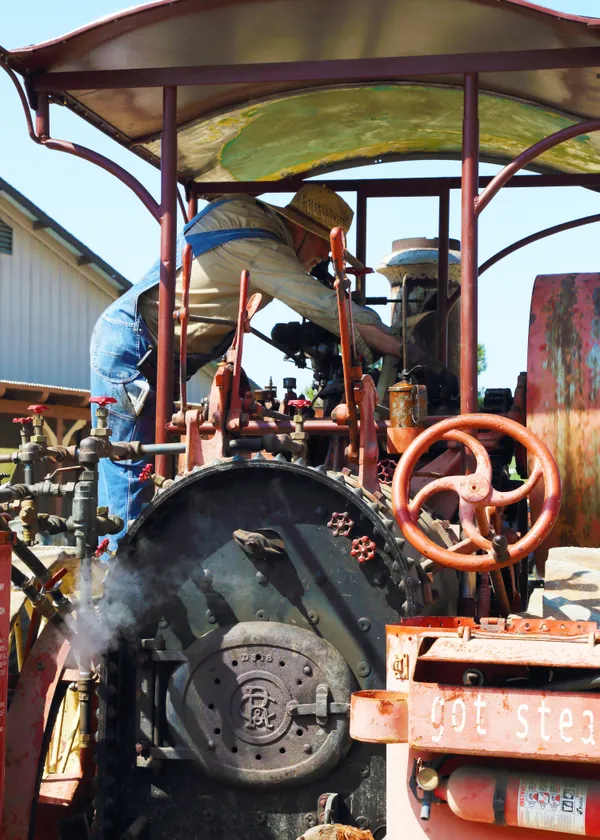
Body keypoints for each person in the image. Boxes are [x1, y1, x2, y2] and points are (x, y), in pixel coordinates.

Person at [90, 184, 402, 550]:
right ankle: (115, 587)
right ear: (305, 231)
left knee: (146, 466)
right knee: (131, 471)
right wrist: (401, 348)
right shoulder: (263, 248)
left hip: (158, 349)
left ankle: (151, 568)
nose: (322, 260)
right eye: (323, 249)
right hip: (134, 349)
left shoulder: (251, 218)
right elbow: (327, 307)